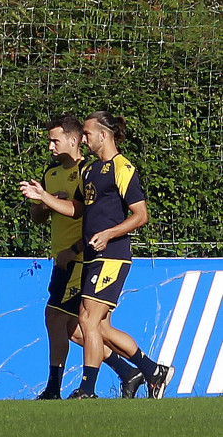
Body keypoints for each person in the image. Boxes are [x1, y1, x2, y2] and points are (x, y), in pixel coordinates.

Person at [20, 111, 174, 399]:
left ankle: (87, 389)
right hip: (91, 255)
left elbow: (141, 215)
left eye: (88, 134)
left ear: (103, 135)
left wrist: (108, 234)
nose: (85, 138)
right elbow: (78, 210)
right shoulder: (90, 171)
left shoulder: (122, 167)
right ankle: (151, 371)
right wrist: (45, 198)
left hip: (112, 254)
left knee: (85, 320)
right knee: (96, 325)